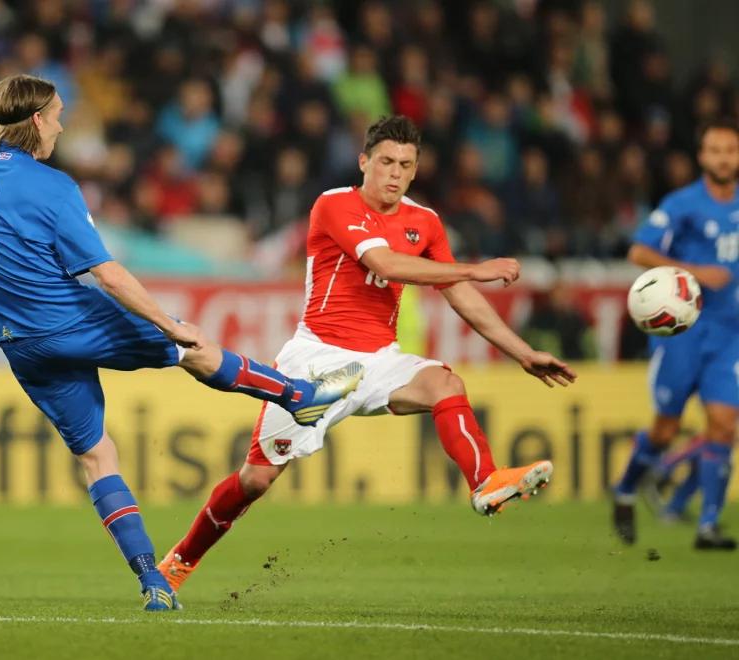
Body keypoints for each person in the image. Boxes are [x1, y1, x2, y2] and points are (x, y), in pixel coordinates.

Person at [0, 74, 361, 612]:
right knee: (193, 346)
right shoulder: (54, 189)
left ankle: (152, 582)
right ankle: (300, 397)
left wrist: (8, 119)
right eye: (58, 115)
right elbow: (108, 274)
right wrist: (168, 323)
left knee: (97, 457)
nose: (63, 125)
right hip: (70, 322)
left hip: (17, 342)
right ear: (36, 122)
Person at [158, 115, 578, 594]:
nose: (394, 173)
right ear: (364, 162)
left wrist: (523, 353)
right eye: (385, 162)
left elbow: (460, 297)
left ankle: (485, 482)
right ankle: (181, 560)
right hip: (317, 361)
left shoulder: (426, 223)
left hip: (380, 359)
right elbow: (383, 262)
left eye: (405, 164)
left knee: (445, 383)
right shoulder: (335, 204)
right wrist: (477, 269)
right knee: (255, 481)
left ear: (416, 170)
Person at [612, 118, 739, 551]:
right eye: (716, 150)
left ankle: (707, 527)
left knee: (724, 425)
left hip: (729, 336)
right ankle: (626, 489)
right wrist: (697, 272)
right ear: (703, 157)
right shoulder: (683, 204)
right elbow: (638, 250)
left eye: (730, 150)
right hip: (684, 334)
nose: (724, 158)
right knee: (665, 430)